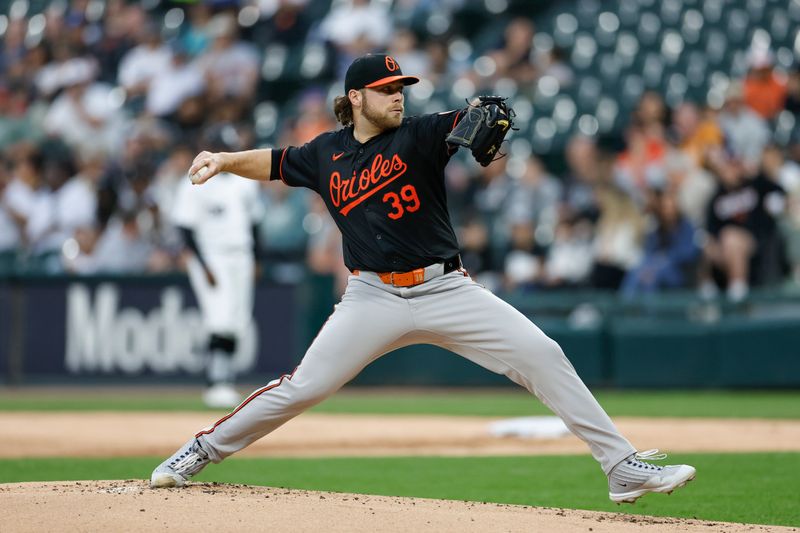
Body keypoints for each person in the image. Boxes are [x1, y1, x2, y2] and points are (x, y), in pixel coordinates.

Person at [151, 54, 696, 504]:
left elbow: (466, 120)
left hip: (446, 289)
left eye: (402, 87)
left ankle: (620, 466)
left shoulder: (421, 133)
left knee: (542, 353)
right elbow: (273, 161)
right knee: (303, 388)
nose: (399, 95)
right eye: (387, 88)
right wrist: (223, 159)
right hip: (372, 296)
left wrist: (483, 113)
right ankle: (202, 449)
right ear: (356, 97)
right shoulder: (325, 153)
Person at [170, 123, 265, 408]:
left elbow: (256, 223)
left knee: (238, 320)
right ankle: (216, 382)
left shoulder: (244, 181)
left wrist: (258, 259)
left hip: (242, 254)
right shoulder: (195, 180)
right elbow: (185, 229)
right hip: (211, 256)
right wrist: (202, 264)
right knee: (220, 317)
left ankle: (226, 379)